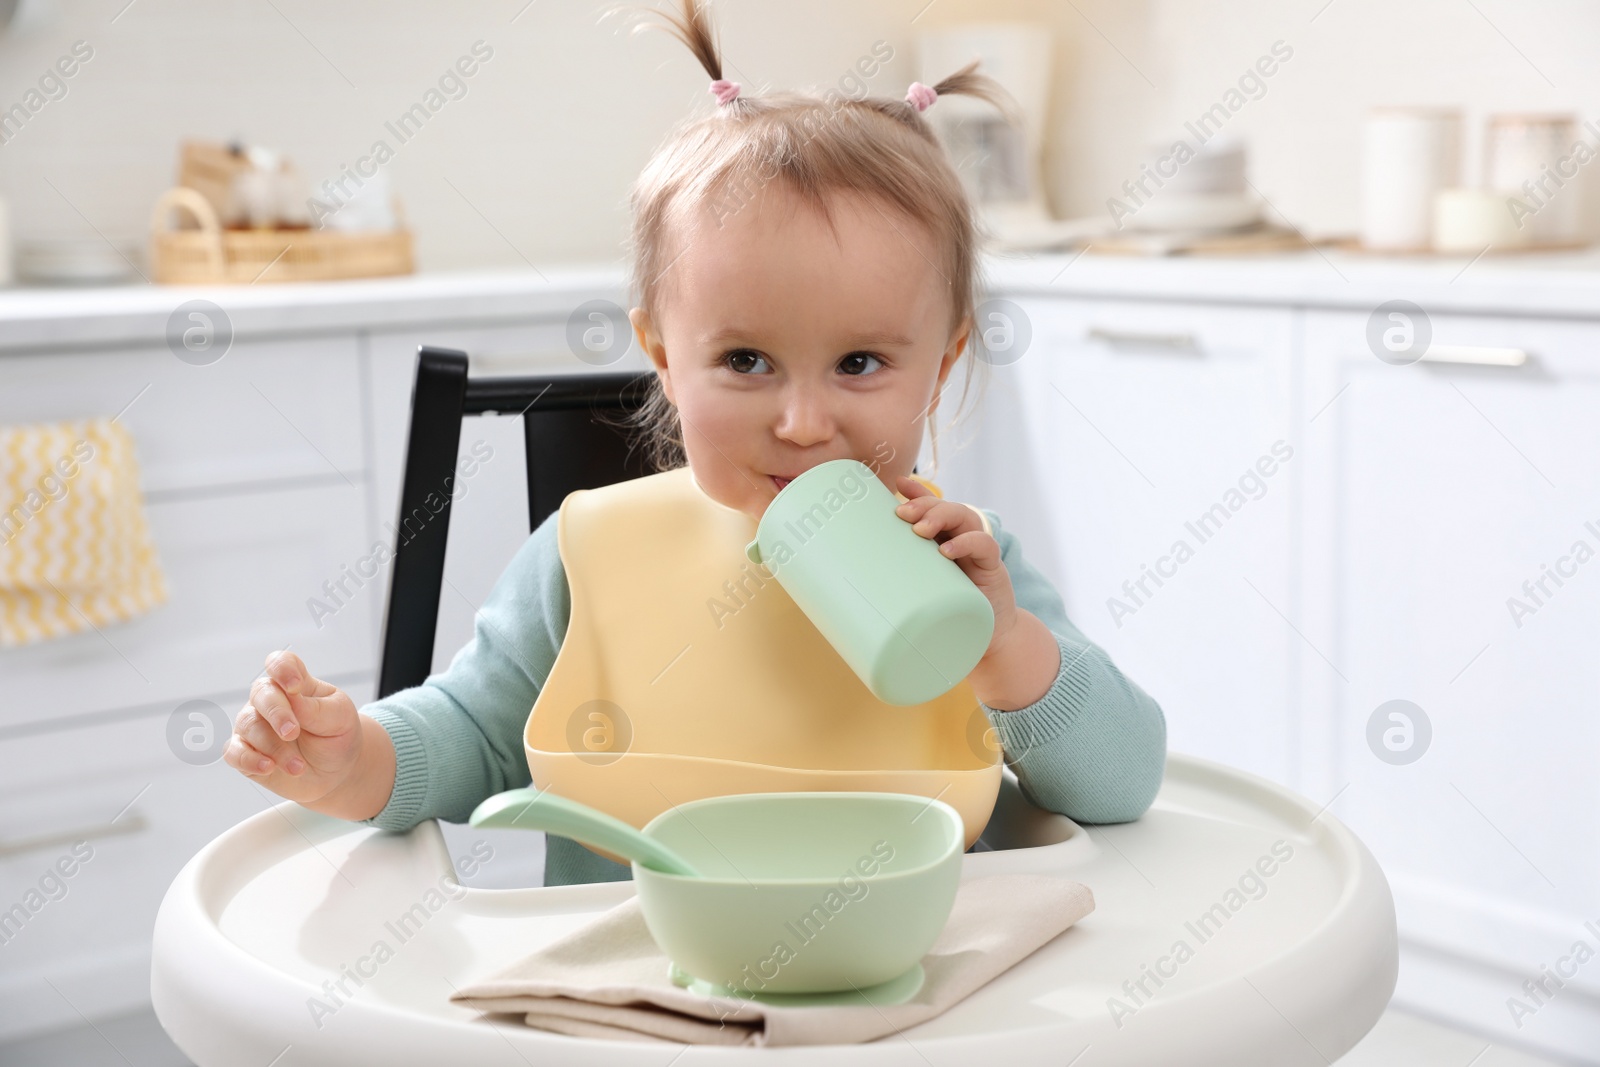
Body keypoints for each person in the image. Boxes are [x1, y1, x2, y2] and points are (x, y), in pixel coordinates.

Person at [225, 0, 1166, 887]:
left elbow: (1122, 786)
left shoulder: (970, 573)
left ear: (944, 361)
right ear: (665, 359)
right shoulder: (583, 553)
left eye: (862, 362)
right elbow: (471, 736)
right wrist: (350, 761)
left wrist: (1006, 649)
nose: (802, 422)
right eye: (748, 359)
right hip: (634, 1009)